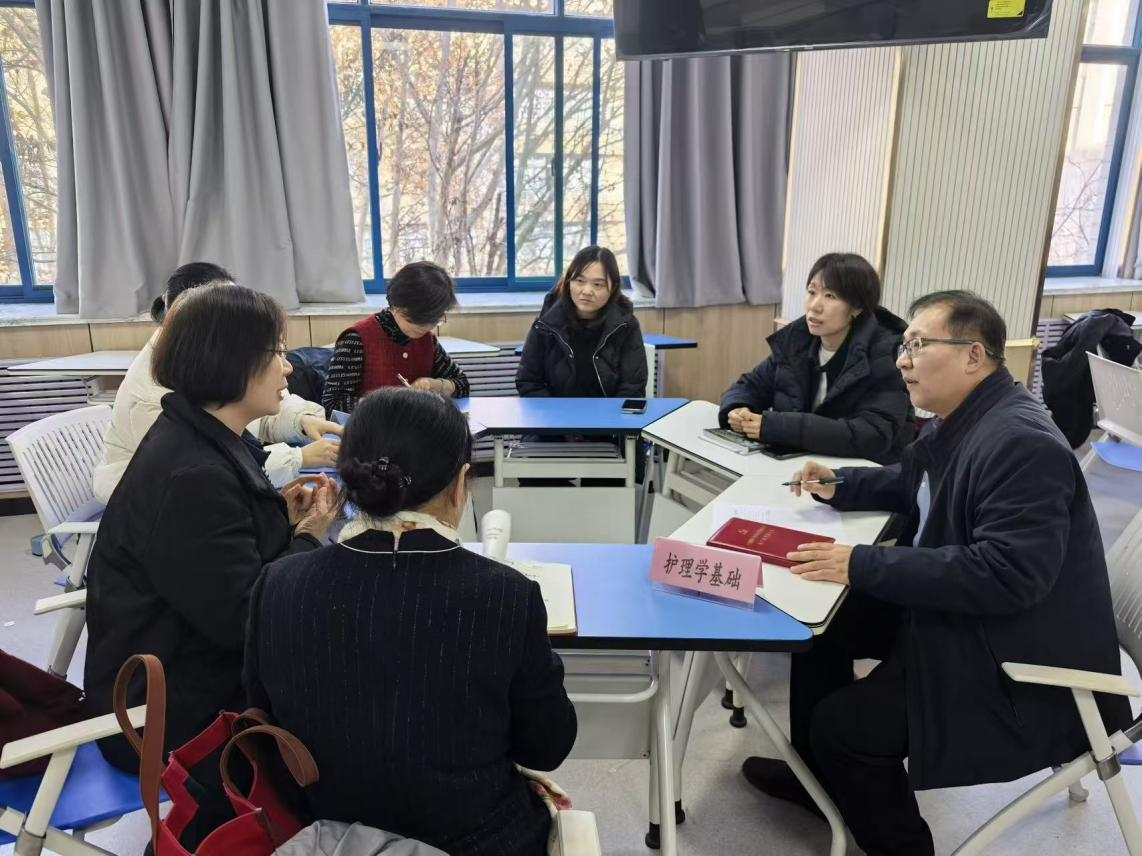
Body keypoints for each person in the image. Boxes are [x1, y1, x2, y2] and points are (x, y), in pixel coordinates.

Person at [741, 290, 1131, 856]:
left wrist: (860, 562)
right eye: (903, 346)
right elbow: (913, 482)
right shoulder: (967, 418)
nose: (902, 360)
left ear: (973, 355)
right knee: (819, 628)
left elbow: (1007, 574)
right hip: (971, 619)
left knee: (845, 727)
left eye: (918, 345)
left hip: (1019, 662)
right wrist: (840, 485)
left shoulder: (1021, 442)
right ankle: (818, 779)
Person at [245, 388, 577, 856]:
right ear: (460, 484)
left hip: (324, 839)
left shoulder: (278, 584)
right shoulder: (506, 595)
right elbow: (546, 747)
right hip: (478, 840)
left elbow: (266, 730)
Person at [84, 284, 340, 774]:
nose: (288, 368)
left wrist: (283, 522)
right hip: (166, 717)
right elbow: (247, 619)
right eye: (277, 353)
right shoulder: (193, 475)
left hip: (190, 670)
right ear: (232, 361)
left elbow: (222, 561)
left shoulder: (204, 434)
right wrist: (308, 537)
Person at [92, 262, 342, 503]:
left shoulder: (209, 359)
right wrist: (299, 458)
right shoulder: (157, 403)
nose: (287, 367)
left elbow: (253, 413)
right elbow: (215, 471)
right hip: (154, 497)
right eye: (275, 352)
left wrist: (301, 420)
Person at [719, 253, 914, 464]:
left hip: (867, 472)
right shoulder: (796, 342)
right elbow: (750, 385)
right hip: (801, 463)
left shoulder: (886, 354)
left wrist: (777, 427)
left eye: (830, 296)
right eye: (812, 292)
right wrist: (738, 408)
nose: (814, 305)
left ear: (857, 307)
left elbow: (872, 435)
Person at [322, 261, 470, 414]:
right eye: (420, 319)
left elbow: (463, 384)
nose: (427, 327)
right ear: (398, 305)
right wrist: (389, 403)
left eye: (434, 320)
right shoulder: (357, 339)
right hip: (371, 427)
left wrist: (437, 385)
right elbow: (332, 403)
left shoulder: (427, 340)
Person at [516, 245, 647, 399]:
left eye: (598, 284)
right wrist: (554, 412)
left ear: (613, 288)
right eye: (579, 281)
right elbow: (528, 382)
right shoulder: (546, 323)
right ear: (568, 282)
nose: (586, 291)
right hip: (554, 412)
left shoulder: (626, 325)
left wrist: (610, 413)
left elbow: (633, 387)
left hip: (608, 413)